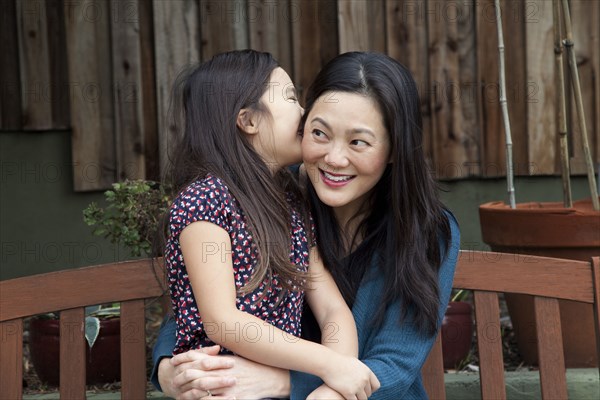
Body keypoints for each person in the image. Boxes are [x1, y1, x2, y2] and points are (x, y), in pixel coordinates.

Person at [152, 51, 460, 399]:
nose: (334, 159)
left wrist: (304, 382)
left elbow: (391, 364)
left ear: (393, 150)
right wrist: (169, 368)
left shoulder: (426, 231)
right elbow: (204, 308)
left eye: (358, 141)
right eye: (319, 132)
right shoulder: (274, 197)